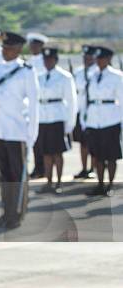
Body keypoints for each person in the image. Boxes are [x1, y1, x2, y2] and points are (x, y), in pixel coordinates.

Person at [0, 31, 38, 229]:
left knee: (17, 174)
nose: (6, 51)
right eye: (4, 48)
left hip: (16, 132)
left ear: (18, 49)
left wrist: (32, 134)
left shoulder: (26, 71)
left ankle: (17, 213)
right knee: (4, 175)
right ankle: (6, 212)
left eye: (10, 48)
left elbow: (34, 105)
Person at [83, 47, 123, 196]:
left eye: (101, 59)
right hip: (94, 120)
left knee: (111, 156)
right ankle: (100, 184)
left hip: (111, 120)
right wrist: (85, 119)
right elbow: (87, 99)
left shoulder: (117, 76)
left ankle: (110, 185)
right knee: (97, 155)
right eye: (97, 59)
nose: (98, 61)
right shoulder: (92, 75)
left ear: (108, 59)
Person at [36, 48, 77, 194]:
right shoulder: (39, 77)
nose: (47, 62)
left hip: (57, 118)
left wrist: (70, 124)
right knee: (46, 153)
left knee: (57, 153)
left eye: (50, 60)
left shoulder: (65, 77)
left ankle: (59, 182)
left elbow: (72, 102)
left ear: (55, 60)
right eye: (45, 60)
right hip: (43, 118)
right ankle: (48, 181)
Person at [72, 45, 98, 179]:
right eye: (85, 58)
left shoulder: (97, 72)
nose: (87, 60)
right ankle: (83, 168)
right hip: (80, 110)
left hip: (94, 112)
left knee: (93, 142)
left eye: (89, 58)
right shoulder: (78, 72)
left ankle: (92, 169)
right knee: (83, 143)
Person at [26, 32, 48, 179]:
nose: (33, 47)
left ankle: (43, 168)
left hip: (43, 106)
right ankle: (37, 166)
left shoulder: (44, 61)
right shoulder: (28, 61)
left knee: (43, 141)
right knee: (34, 140)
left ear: (41, 46)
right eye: (31, 45)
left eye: (35, 45)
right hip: (31, 105)